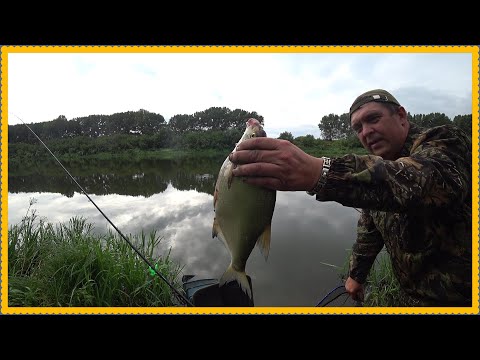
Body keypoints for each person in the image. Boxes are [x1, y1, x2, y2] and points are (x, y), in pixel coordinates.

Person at [228, 89, 472, 307]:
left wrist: (320, 172)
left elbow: (424, 183)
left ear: (401, 116)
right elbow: (370, 228)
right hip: (414, 299)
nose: (366, 132)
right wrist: (356, 274)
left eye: (373, 119)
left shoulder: (446, 141)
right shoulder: (379, 167)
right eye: (358, 128)